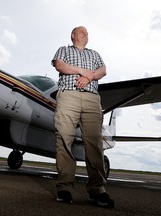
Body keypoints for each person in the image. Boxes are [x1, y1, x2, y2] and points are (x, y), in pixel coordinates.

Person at [51, 26, 114, 208]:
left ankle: (97, 190)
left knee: (94, 142)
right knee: (64, 138)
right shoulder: (63, 50)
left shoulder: (94, 54)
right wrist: (83, 71)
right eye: (82, 32)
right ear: (73, 35)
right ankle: (65, 188)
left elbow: (103, 70)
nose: (86, 34)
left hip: (91, 98)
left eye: (87, 33)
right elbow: (59, 65)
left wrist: (90, 77)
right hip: (68, 95)